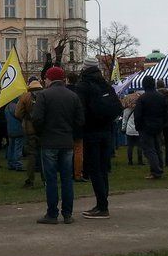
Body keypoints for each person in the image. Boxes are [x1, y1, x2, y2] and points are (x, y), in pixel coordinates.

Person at [31, 66, 85, 224]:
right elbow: (80, 120)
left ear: (49, 79)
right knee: (67, 179)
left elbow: (37, 119)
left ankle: (52, 213)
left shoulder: (43, 95)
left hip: (49, 141)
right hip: (67, 142)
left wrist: (42, 133)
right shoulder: (73, 96)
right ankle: (67, 214)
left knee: (51, 179)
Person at [74, 56, 122, 218]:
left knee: (95, 170)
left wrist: (78, 130)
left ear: (84, 68)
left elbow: (80, 111)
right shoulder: (105, 84)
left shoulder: (83, 86)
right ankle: (102, 203)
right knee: (103, 170)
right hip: (106, 131)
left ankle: (102, 207)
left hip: (91, 132)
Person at [133, 75, 167, 180]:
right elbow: (165, 112)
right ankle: (159, 168)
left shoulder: (142, 98)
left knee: (149, 150)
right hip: (158, 126)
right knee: (158, 149)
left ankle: (156, 171)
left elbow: (138, 114)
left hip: (145, 127)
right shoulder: (161, 97)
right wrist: (162, 124)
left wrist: (138, 126)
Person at [15, 79, 44, 187]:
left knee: (31, 155)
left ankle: (30, 180)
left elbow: (17, 113)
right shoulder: (45, 95)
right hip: (43, 130)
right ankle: (45, 178)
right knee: (43, 154)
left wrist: (25, 118)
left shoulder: (25, 96)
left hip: (30, 129)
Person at [121, 93, 143, 166]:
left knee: (130, 146)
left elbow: (124, 120)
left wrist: (123, 129)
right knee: (139, 146)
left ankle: (130, 161)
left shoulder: (126, 110)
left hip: (129, 130)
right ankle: (140, 161)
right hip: (138, 129)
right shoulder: (140, 109)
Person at [5, 97, 25, 171]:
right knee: (18, 148)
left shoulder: (6, 107)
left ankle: (11, 163)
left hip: (10, 129)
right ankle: (18, 164)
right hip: (18, 129)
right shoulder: (16, 106)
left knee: (11, 147)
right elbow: (19, 115)